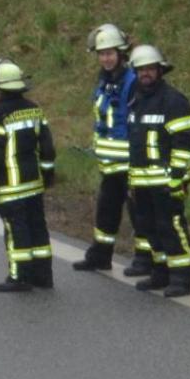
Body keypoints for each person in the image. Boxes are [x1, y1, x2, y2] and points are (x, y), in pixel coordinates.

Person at [71, 23, 152, 274]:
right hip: (109, 163)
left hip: (131, 163)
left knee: (139, 213)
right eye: (101, 54)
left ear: (121, 54)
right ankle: (100, 255)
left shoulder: (132, 82)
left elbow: (136, 122)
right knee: (106, 211)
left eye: (110, 53)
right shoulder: (104, 82)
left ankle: (145, 259)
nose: (105, 58)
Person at [0, 60, 57, 292]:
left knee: (16, 230)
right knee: (38, 228)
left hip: (11, 186)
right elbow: (48, 148)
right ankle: (43, 276)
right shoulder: (35, 109)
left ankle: (19, 276)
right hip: (34, 183)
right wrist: (48, 173)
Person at [125, 44, 190, 298]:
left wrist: (176, 178)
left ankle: (182, 277)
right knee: (148, 227)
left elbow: (184, 142)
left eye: (150, 69)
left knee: (171, 227)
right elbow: (135, 144)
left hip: (167, 181)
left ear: (159, 70)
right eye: (141, 69)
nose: (145, 73)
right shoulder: (135, 98)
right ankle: (161, 272)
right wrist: (132, 179)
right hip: (142, 181)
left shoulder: (174, 101)